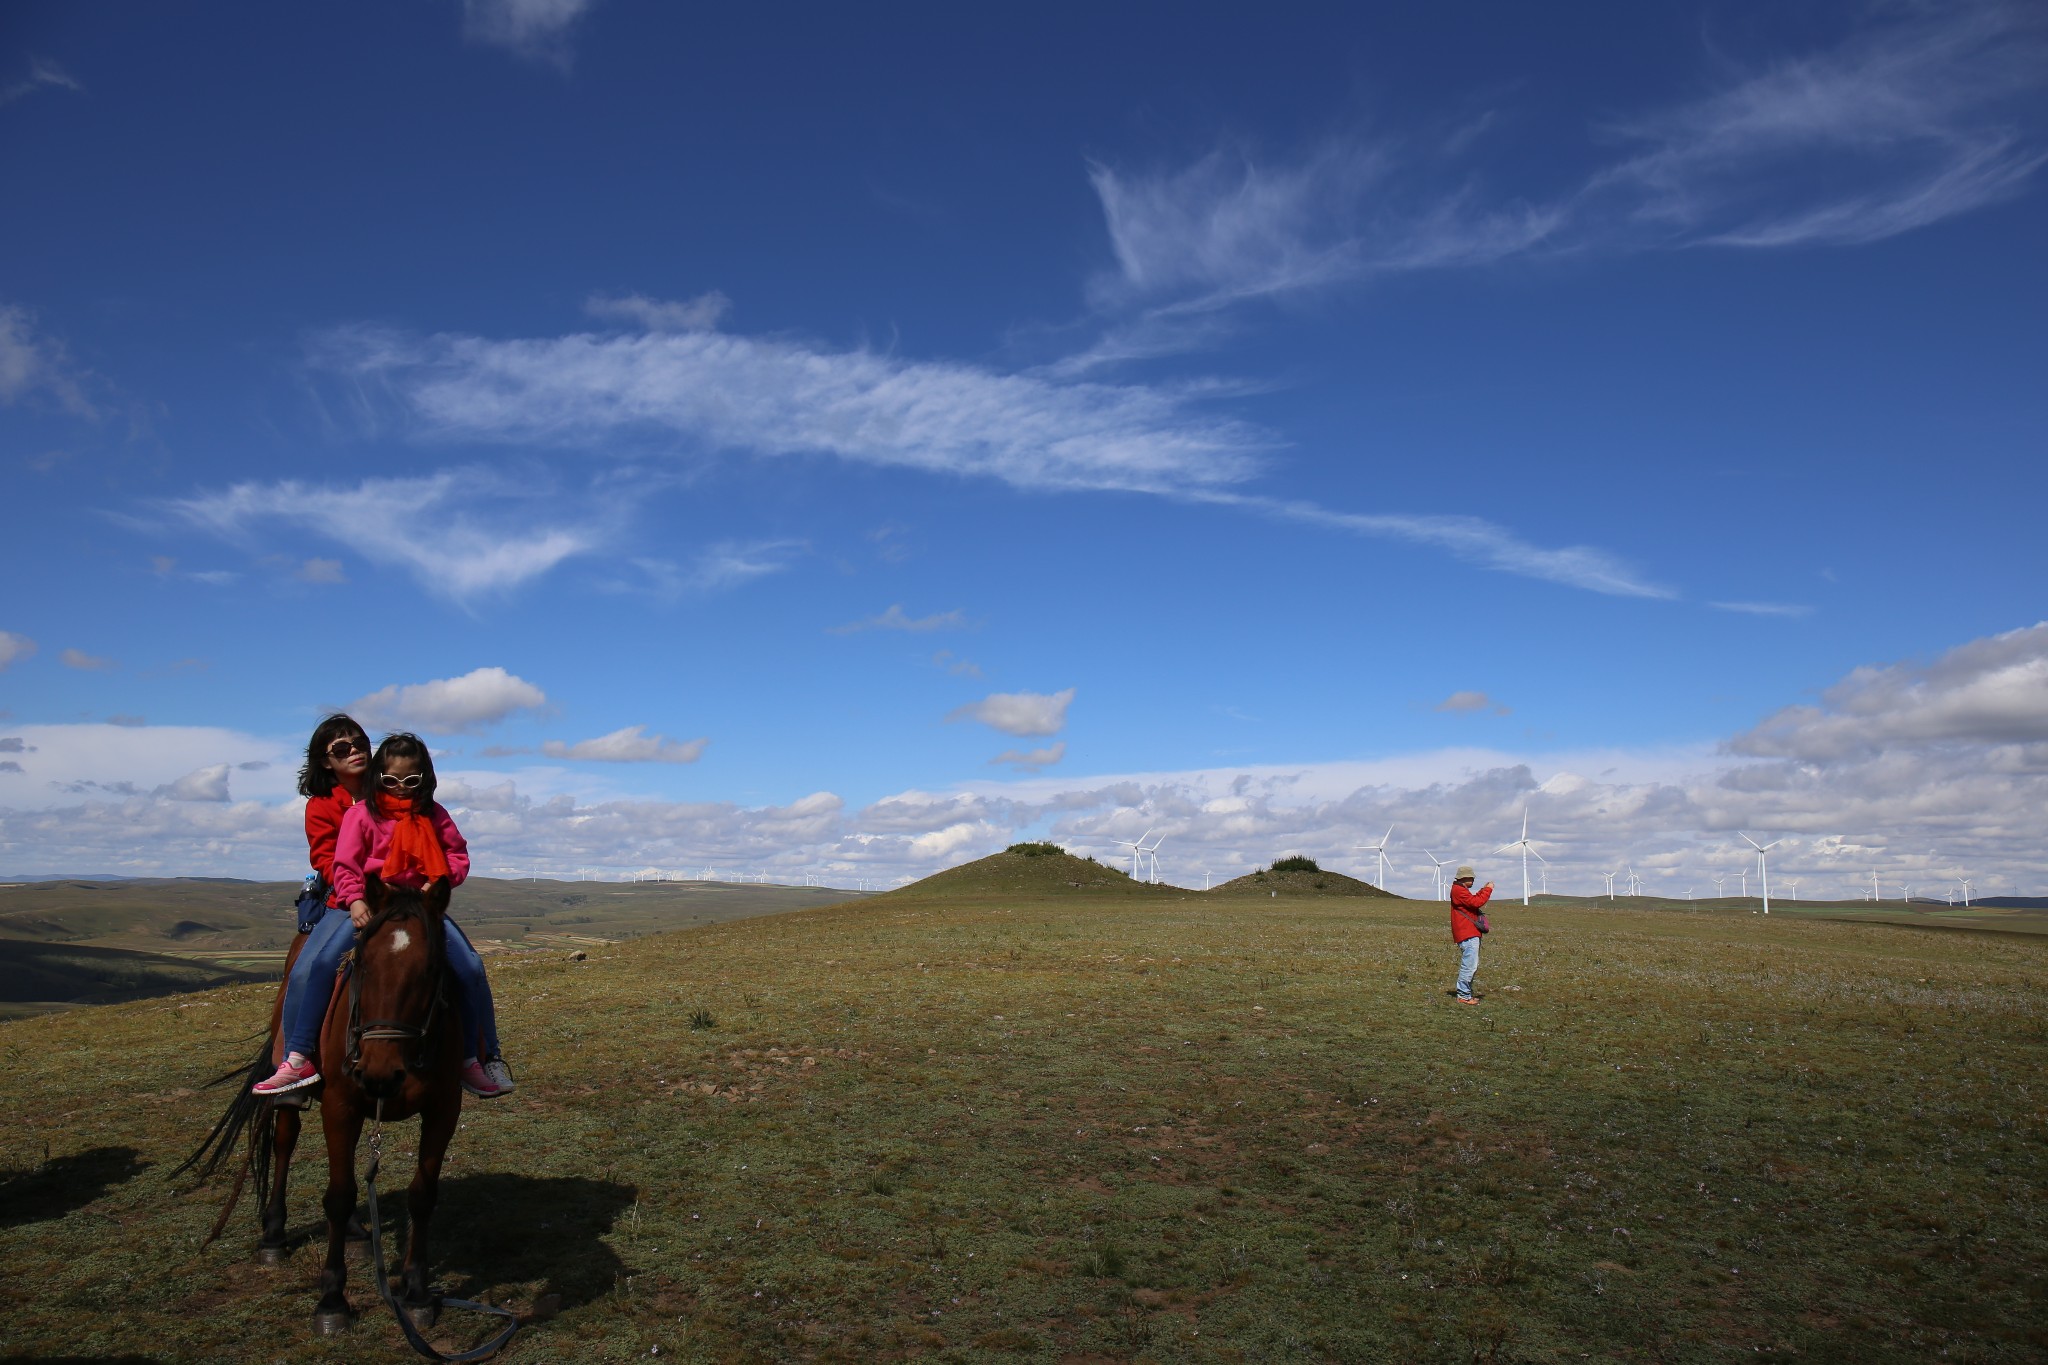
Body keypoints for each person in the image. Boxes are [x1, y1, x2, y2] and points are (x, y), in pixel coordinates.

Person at [254, 730, 515, 1099]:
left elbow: (457, 856)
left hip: (420, 908)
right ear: (380, 776)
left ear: (425, 777)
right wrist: (356, 900)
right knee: (322, 963)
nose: (402, 787)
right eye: (392, 780)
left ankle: (478, 1058)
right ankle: (299, 1056)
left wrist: (437, 882)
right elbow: (344, 865)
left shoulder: (435, 815)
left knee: (470, 967)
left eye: (412, 780)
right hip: (369, 905)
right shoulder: (361, 815)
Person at [1450, 865, 1494, 1005]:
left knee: (1471, 965)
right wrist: (1488, 890)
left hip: (1468, 932)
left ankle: (1466, 994)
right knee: (1469, 966)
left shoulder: (1460, 890)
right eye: (1471, 877)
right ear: (1464, 878)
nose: (1473, 879)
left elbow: (1472, 901)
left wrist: (1483, 890)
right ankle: (1463, 995)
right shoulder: (1459, 891)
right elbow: (1476, 902)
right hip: (1467, 932)